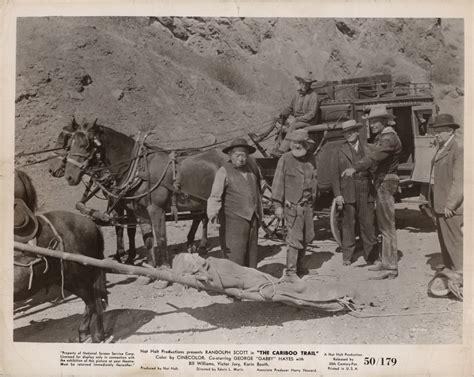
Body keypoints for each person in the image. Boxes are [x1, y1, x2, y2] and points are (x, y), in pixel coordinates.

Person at [342, 105, 401, 279]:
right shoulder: (383, 137)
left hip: (386, 182)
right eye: (371, 122)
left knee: (387, 227)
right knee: (382, 225)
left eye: (375, 122)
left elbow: (375, 156)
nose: (372, 125)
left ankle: (390, 267)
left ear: (384, 121)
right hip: (382, 182)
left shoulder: (389, 138)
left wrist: (355, 167)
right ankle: (385, 261)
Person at [207, 138, 263, 268]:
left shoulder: (251, 171)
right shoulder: (223, 171)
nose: (241, 159)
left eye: (244, 155)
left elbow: (257, 193)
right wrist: (212, 213)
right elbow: (215, 196)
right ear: (230, 155)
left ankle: (250, 280)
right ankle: (234, 283)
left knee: (252, 253)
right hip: (233, 221)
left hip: (252, 218)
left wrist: (260, 214)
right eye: (237, 155)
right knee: (235, 254)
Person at [271, 129, 317, 282]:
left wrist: (313, 200)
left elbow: (314, 181)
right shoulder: (285, 159)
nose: (297, 146)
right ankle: (291, 272)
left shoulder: (311, 159)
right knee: (294, 239)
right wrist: (277, 205)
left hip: (307, 206)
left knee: (306, 237)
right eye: (294, 143)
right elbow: (277, 183)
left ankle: (301, 268)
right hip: (293, 207)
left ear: (306, 144)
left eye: (300, 143)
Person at [331, 120, 377, 266]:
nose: (349, 134)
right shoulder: (338, 150)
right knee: (348, 224)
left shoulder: (368, 148)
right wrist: (338, 194)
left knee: (368, 223)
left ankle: (372, 256)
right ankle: (347, 256)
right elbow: (334, 175)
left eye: (352, 131)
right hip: (347, 191)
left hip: (366, 190)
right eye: (346, 132)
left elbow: (375, 170)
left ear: (357, 132)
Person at [249, 71, 319, 154]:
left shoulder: (313, 96)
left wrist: (297, 119)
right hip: (297, 120)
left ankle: (282, 150)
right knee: (276, 119)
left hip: (308, 122)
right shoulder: (297, 94)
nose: (304, 85)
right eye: (302, 83)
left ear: (310, 84)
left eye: (307, 83)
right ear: (299, 83)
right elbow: (290, 108)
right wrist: (283, 114)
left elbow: (311, 114)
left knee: (293, 126)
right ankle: (261, 137)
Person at [429, 113, 463, 274]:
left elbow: (459, 181)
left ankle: (462, 276)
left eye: (440, 130)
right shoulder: (442, 148)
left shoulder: (457, 149)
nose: (436, 134)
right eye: (435, 131)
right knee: (446, 242)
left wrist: (451, 204)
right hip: (440, 204)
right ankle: (451, 274)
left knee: (455, 242)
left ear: (450, 131)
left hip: (451, 207)